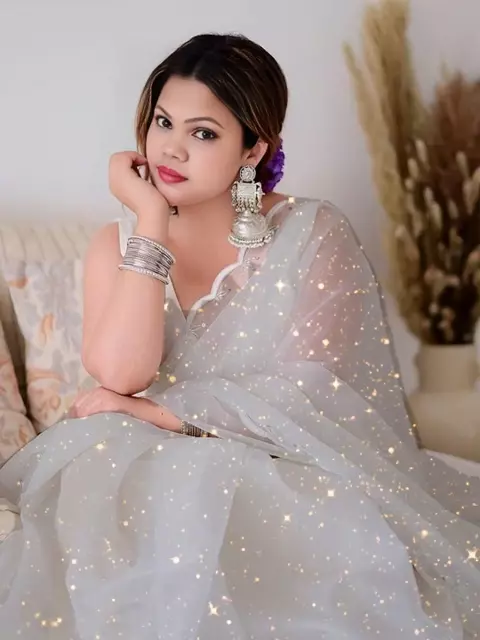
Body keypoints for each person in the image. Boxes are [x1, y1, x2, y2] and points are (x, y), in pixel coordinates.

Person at [0, 32, 479, 640]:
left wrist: (162, 413)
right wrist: (151, 222)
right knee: (113, 491)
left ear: (253, 149)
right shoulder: (116, 243)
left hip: (286, 464)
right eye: (163, 122)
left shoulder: (312, 233)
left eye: (203, 133)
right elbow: (120, 375)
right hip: (142, 466)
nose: (171, 148)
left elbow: (316, 394)